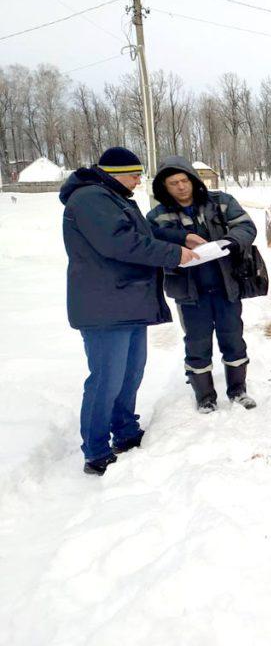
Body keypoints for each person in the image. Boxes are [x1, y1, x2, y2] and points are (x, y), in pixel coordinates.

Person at [60, 146, 199, 476]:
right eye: (135, 175)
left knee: (130, 373)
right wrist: (172, 254)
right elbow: (119, 242)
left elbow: (143, 233)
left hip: (126, 300)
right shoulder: (90, 199)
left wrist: (182, 238)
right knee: (106, 379)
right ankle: (96, 450)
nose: (139, 181)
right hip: (104, 305)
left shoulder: (112, 197)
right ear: (116, 174)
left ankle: (124, 430)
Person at [146, 156, 259, 413]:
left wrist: (231, 242)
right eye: (173, 183)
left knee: (233, 338)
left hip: (226, 287)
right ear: (164, 187)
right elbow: (150, 240)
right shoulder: (157, 216)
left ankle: (238, 391)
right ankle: (205, 397)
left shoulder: (221, 202)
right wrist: (181, 239)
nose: (181, 187)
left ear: (193, 180)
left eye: (184, 180)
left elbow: (246, 226)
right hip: (190, 292)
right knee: (197, 343)